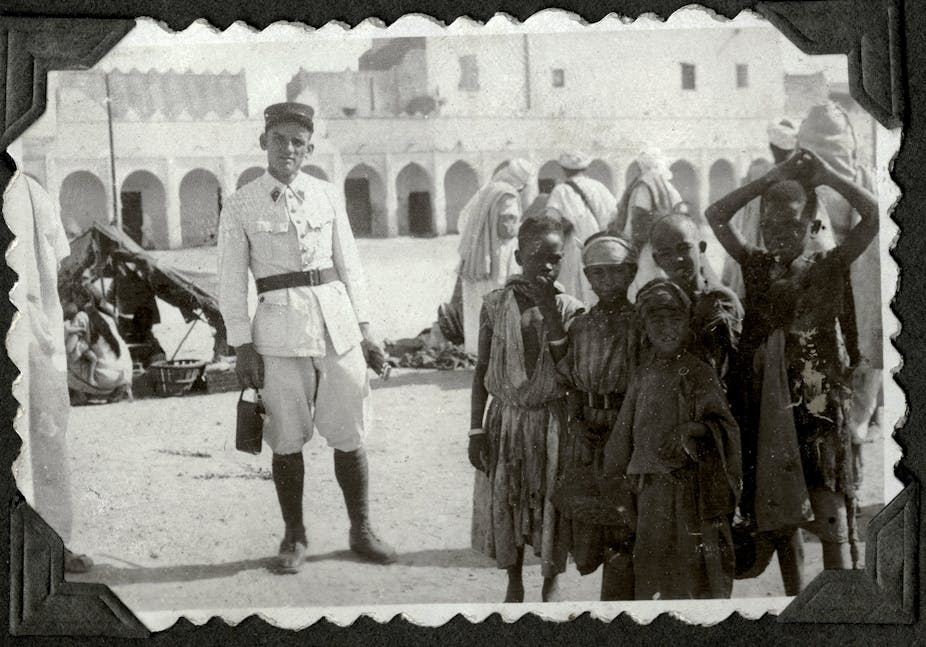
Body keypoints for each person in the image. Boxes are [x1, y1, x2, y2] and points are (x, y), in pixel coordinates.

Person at [217, 102, 395, 573]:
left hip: (337, 329)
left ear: (310, 147)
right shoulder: (240, 204)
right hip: (277, 335)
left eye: (298, 142)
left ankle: (361, 529)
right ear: (264, 143)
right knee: (286, 437)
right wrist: (242, 344)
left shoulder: (327, 194)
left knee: (349, 430)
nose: (289, 149)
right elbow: (231, 282)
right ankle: (294, 536)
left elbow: (350, 265)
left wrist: (366, 329)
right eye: (280, 140)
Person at [705, 147, 878, 591]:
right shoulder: (757, 266)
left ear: (813, 225)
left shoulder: (828, 265)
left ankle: (840, 603)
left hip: (818, 406)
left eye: (793, 223)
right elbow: (716, 214)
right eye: (771, 224)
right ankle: (796, 603)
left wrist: (827, 176)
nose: (781, 232)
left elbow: (876, 216)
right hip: (766, 406)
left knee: (829, 512)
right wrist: (768, 179)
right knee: (781, 517)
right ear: (761, 227)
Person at [468, 214, 584, 603]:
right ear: (518, 257)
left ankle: (550, 581)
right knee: (508, 498)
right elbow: (482, 369)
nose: (547, 266)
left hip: (551, 423)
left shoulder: (570, 310)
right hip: (505, 420)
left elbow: (569, 372)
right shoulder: (496, 305)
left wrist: (550, 314)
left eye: (554, 258)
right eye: (537, 257)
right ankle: (514, 580)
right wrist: (475, 430)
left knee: (551, 502)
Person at [601, 279, 741, 600]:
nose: (666, 328)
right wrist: (618, 486)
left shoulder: (699, 372)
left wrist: (692, 429)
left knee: (690, 575)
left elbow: (724, 426)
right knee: (652, 575)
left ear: (687, 323)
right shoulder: (642, 375)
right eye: (656, 320)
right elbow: (622, 435)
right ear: (644, 326)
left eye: (674, 319)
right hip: (649, 494)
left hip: (691, 492)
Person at [2, 154, 93, 573]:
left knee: (47, 440)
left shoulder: (33, 193)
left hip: (36, 337)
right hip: (28, 336)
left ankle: (54, 545)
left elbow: (54, 266)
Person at [549, 233, 638, 600]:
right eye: (597, 275)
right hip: (588, 434)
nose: (606, 282)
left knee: (627, 526)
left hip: (626, 432)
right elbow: (569, 383)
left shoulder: (640, 324)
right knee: (593, 532)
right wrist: (577, 422)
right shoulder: (582, 327)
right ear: (587, 278)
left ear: (630, 273)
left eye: (615, 273)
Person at [648, 213, 743, 384]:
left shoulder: (722, 300)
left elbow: (740, 362)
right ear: (656, 260)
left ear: (701, 247)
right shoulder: (654, 303)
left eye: (684, 248)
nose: (677, 259)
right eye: (666, 253)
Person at [457, 158, 534, 355]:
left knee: (478, 306)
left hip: (477, 256)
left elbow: (462, 220)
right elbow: (507, 228)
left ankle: (480, 352)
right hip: (499, 256)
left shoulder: (486, 190)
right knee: (500, 301)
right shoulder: (507, 195)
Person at [607, 147, 685, 302]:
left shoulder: (645, 184)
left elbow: (639, 219)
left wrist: (633, 248)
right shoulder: (669, 186)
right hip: (668, 246)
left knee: (645, 288)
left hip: (647, 247)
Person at [545, 152, 614, 305]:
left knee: (574, 293)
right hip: (598, 247)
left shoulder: (560, 191)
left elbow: (551, 224)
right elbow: (613, 216)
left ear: (563, 169)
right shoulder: (599, 187)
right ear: (586, 167)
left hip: (572, 250)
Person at [64, 297, 134, 404]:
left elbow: (68, 349)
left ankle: (78, 393)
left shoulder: (81, 316)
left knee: (60, 359)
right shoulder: (107, 316)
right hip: (125, 374)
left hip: (106, 377)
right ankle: (120, 389)